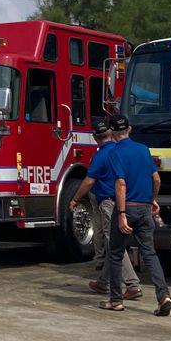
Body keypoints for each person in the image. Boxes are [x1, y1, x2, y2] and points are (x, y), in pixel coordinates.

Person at [103, 116, 171, 316]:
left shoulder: (115, 152)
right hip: (144, 208)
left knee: (116, 253)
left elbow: (121, 184)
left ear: (113, 134)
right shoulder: (143, 149)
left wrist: (122, 214)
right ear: (130, 130)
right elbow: (156, 179)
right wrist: (152, 200)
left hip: (127, 207)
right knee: (149, 254)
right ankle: (163, 295)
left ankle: (116, 300)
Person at [67, 120, 136, 297]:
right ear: (110, 134)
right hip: (128, 200)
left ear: (95, 137)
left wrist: (75, 198)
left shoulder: (101, 155)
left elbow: (89, 181)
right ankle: (103, 283)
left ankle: (132, 284)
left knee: (114, 243)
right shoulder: (121, 150)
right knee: (111, 243)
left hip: (108, 203)